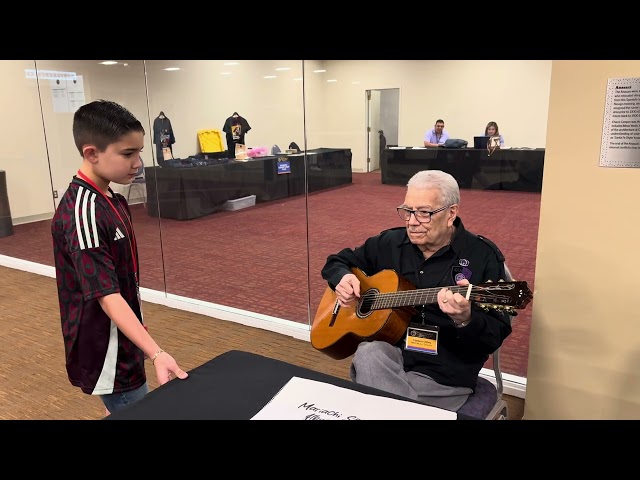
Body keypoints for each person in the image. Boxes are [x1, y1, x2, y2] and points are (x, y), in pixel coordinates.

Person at [320, 170, 512, 412]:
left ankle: (384, 405)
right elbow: (336, 261)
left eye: (424, 213)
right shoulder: (389, 243)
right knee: (369, 353)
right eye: (408, 211)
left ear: (451, 213)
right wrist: (343, 277)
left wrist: (466, 319)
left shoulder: (482, 256)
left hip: (443, 372)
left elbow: (495, 334)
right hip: (392, 357)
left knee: (375, 391)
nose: (411, 221)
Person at [51, 99, 188, 416]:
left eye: (139, 152)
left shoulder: (110, 196)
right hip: (106, 349)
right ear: (91, 153)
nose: (137, 162)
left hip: (126, 337)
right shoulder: (82, 212)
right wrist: (156, 353)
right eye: (128, 154)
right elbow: (106, 295)